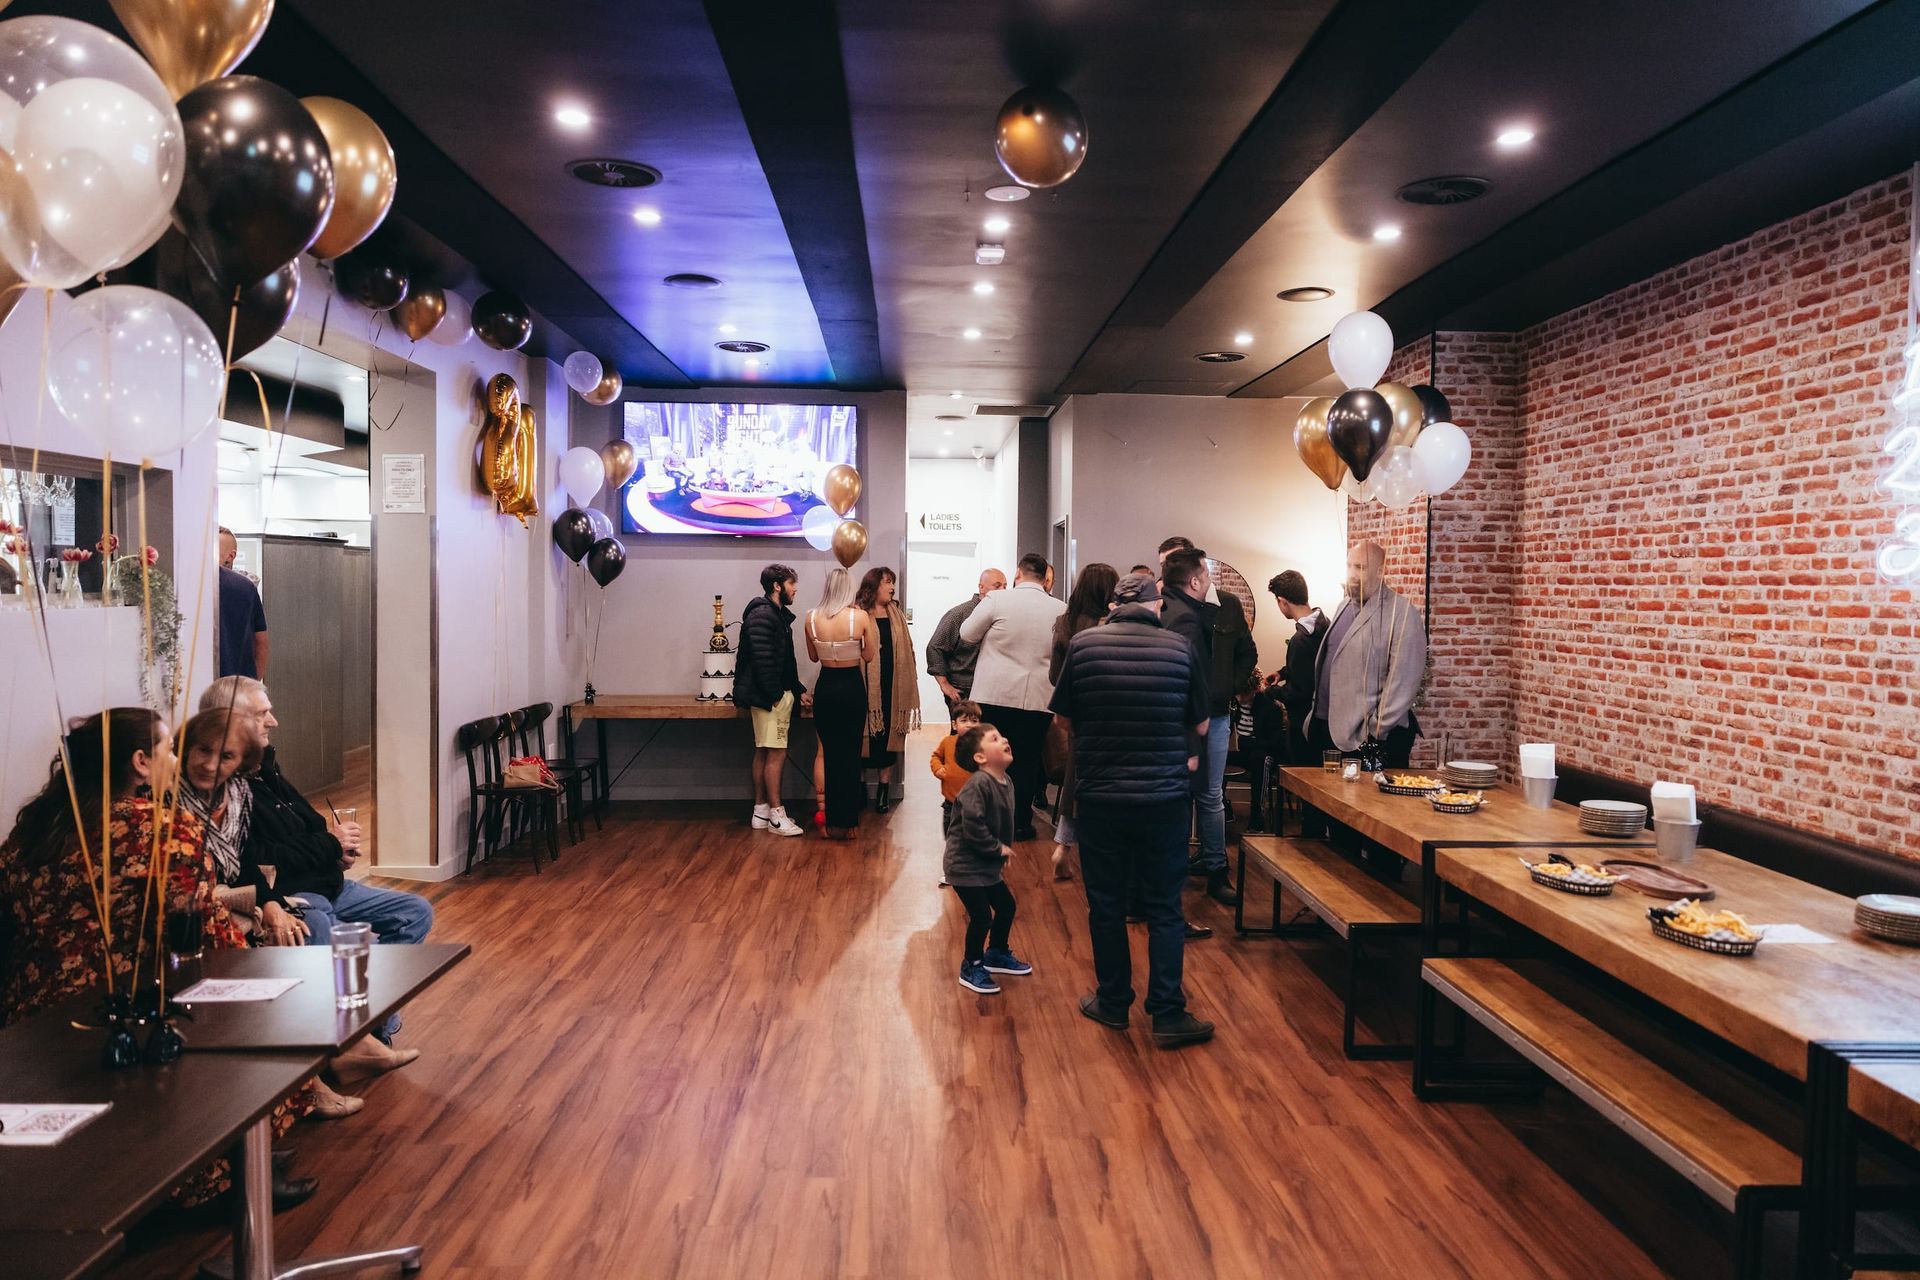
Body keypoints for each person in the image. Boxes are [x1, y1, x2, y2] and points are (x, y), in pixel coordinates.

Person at [0, 709, 323, 1207]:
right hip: (127, 1005)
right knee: (241, 1018)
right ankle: (220, 1176)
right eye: (169, 749)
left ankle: (234, 1156)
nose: (174, 757)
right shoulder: (160, 829)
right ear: (140, 763)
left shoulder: (35, 827)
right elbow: (207, 937)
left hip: (32, 1014)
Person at [204, 677, 433, 1054]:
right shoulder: (227, 786)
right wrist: (328, 843)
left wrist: (335, 852)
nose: (273, 721)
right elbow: (262, 856)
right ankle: (356, 1035)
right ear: (233, 721)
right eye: (263, 714)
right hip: (296, 892)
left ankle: (371, 1018)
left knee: (415, 911)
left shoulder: (267, 767)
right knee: (328, 928)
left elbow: (310, 825)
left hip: (330, 882)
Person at [1050, 572, 1215, 1049]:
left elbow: (1062, 718)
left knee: (1106, 904)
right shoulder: (1179, 649)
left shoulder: (1083, 645)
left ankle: (1113, 1002)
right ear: (1155, 604)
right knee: (1165, 907)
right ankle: (1167, 1014)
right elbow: (1202, 725)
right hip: (1164, 798)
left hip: (1101, 796)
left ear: (1114, 606)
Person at [1159, 544, 1248, 907]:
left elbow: (1248, 651)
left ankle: (1215, 868)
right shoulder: (1175, 614)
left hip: (1217, 713)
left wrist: (1229, 688)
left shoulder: (1227, 603)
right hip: (1186, 720)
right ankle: (1174, 876)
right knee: (1178, 796)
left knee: (1211, 795)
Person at [959, 553, 1064, 840]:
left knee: (992, 759)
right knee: (1027, 759)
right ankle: (1020, 823)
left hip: (996, 692)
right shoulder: (1060, 608)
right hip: (1038, 697)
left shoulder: (997, 600)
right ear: (1045, 579)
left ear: (1018, 574)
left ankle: (991, 820)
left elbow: (966, 634)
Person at [1312, 541, 1427, 768]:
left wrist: (1375, 729)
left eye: (1360, 568)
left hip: (1363, 738)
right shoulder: (1343, 605)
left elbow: (1403, 683)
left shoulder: (1402, 613)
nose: (1352, 574)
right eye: (1349, 566)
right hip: (1326, 730)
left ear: (1380, 571)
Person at [944, 723, 1030, 995]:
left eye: (1002, 736)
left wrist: (1000, 850)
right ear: (980, 757)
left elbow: (1003, 822)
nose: (1004, 739)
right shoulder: (978, 785)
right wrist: (997, 849)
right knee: (981, 916)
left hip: (985, 863)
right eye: (995, 739)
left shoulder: (1006, 781)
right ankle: (972, 964)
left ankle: (996, 953)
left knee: (1006, 906)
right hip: (964, 865)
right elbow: (973, 827)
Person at [1047, 562, 1119, 881]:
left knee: (1075, 779)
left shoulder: (1065, 622)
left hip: (1077, 712)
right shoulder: (1113, 624)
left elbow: (1054, 675)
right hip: (1111, 713)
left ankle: (1063, 845)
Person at [736, 563, 810, 837]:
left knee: (764, 751)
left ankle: (761, 810)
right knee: (775, 753)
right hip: (770, 699)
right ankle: (777, 817)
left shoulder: (773, 615)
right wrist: (777, 696)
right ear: (777, 586)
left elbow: (783, 662)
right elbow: (764, 661)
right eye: (791, 583)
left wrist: (798, 688)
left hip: (768, 696)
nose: (795, 588)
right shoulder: (764, 616)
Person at [804, 568, 872, 839]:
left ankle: (827, 820)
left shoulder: (810, 618)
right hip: (852, 687)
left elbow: (812, 656)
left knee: (826, 753)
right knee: (850, 753)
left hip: (826, 687)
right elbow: (869, 655)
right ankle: (849, 823)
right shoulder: (860, 617)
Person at [855, 566, 920, 812]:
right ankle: (860, 787)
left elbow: (908, 649)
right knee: (862, 736)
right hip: (864, 685)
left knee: (889, 738)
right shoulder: (858, 613)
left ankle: (883, 791)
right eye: (887, 582)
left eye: (893, 582)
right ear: (873, 586)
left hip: (893, 686)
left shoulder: (897, 614)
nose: (892, 587)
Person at [925, 568, 1006, 724]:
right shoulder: (959, 614)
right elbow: (935, 647)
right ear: (981, 587)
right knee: (963, 738)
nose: (1002, 590)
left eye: (1005, 585)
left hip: (991, 691)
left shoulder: (1003, 615)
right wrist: (944, 685)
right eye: (997, 586)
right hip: (963, 690)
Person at [1268, 570, 1327, 769]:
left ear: (1282, 601)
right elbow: (1313, 665)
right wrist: (1283, 673)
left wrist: (1268, 690)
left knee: (1307, 786)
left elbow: (1298, 692)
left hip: (1304, 725)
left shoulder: (1300, 641)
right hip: (1325, 724)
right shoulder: (1325, 625)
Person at [216, 526, 269, 680]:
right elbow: (261, 643)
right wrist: (254, 685)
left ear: (231, 556)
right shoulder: (246, 588)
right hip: (240, 687)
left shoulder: (193, 584)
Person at [928, 700, 983, 835]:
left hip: (976, 803)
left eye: (974, 721)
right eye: (964, 721)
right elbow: (935, 757)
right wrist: (938, 769)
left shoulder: (983, 745)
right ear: (954, 724)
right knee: (951, 834)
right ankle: (953, 854)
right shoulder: (948, 743)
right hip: (951, 803)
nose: (969, 725)